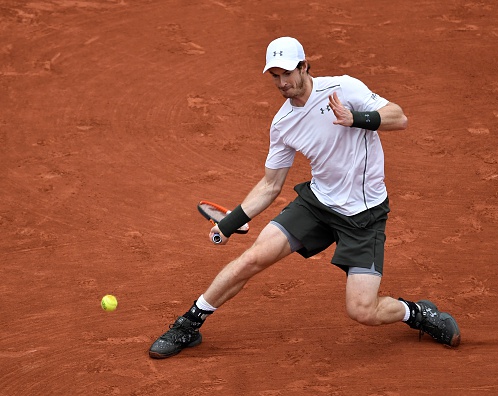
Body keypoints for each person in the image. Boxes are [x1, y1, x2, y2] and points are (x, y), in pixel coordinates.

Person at [149, 37, 460, 359]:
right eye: (275, 76)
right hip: (317, 205)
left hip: (364, 215)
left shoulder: (344, 88)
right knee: (252, 259)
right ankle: (188, 324)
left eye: (288, 73)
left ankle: (418, 314)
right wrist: (229, 224)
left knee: (363, 311)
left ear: (304, 66)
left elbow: (399, 118)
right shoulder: (283, 124)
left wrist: (357, 119)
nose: (282, 83)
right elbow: (271, 185)